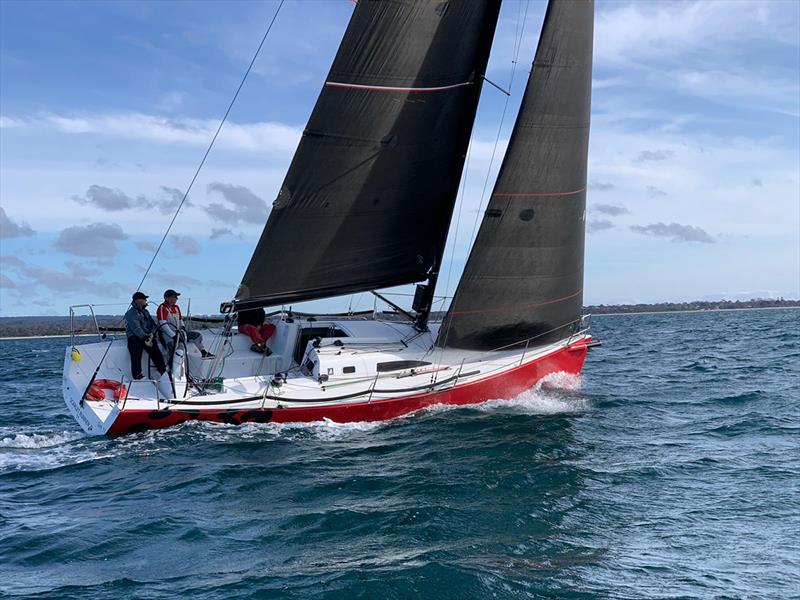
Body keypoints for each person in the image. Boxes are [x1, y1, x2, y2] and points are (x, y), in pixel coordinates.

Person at [156, 289, 214, 358]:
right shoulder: (162, 308)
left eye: (175, 298)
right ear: (166, 298)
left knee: (197, 335)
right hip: (166, 334)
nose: (174, 300)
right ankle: (171, 363)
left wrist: (183, 327)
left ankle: (203, 352)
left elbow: (180, 319)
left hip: (178, 332)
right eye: (172, 297)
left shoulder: (176, 307)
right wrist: (173, 336)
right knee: (173, 345)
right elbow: (163, 324)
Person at [124, 291, 167, 380]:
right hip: (135, 337)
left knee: (156, 351)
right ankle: (137, 375)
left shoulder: (146, 312)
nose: (146, 300)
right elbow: (135, 328)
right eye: (144, 299)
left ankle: (163, 371)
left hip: (147, 337)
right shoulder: (131, 313)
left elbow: (152, 324)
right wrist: (145, 337)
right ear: (138, 300)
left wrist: (153, 333)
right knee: (136, 351)